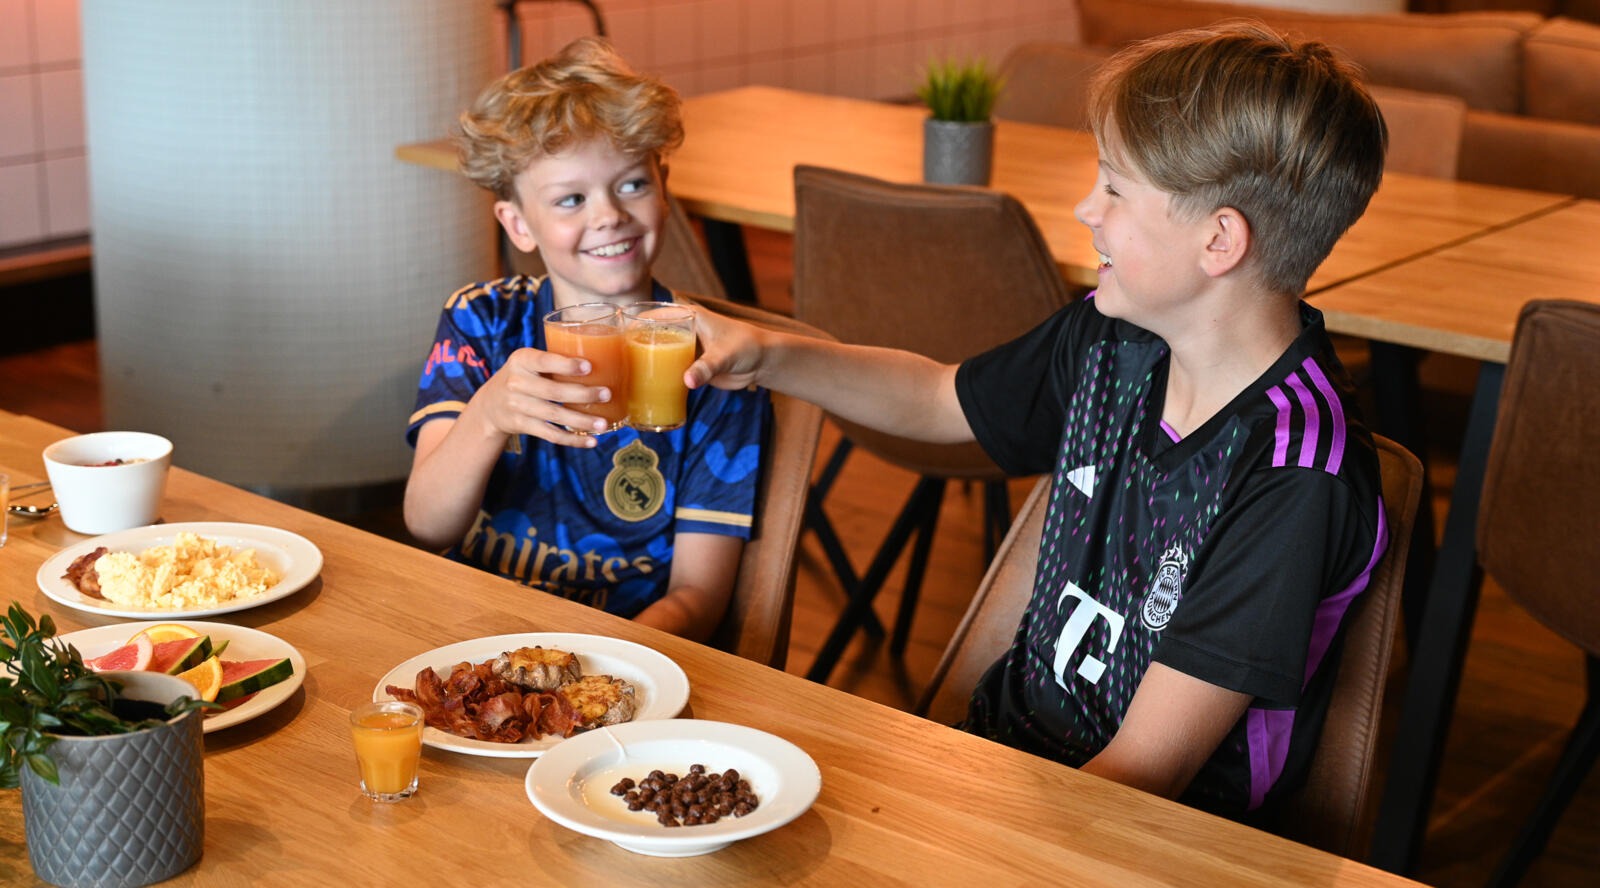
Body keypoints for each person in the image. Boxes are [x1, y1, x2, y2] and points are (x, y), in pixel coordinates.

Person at [687, 22, 1390, 818]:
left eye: (1116, 188)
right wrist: (770, 356)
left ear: (1218, 239)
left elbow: (1143, 773)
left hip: (1149, 839)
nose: (1086, 208)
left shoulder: (1295, 474)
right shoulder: (1112, 335)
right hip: (1007, 769)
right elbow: (939, 398)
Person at [404, 37, 767, 642]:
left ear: (664, 185)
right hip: (471, 636)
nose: (608, 215)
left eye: (631, 185)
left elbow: (698, 595)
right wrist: (489, 416)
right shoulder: (481, 320)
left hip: (633, 649)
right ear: (519, 224)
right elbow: (426, 527)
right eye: (571, 198)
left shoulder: (717, 360)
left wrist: (603, 667)